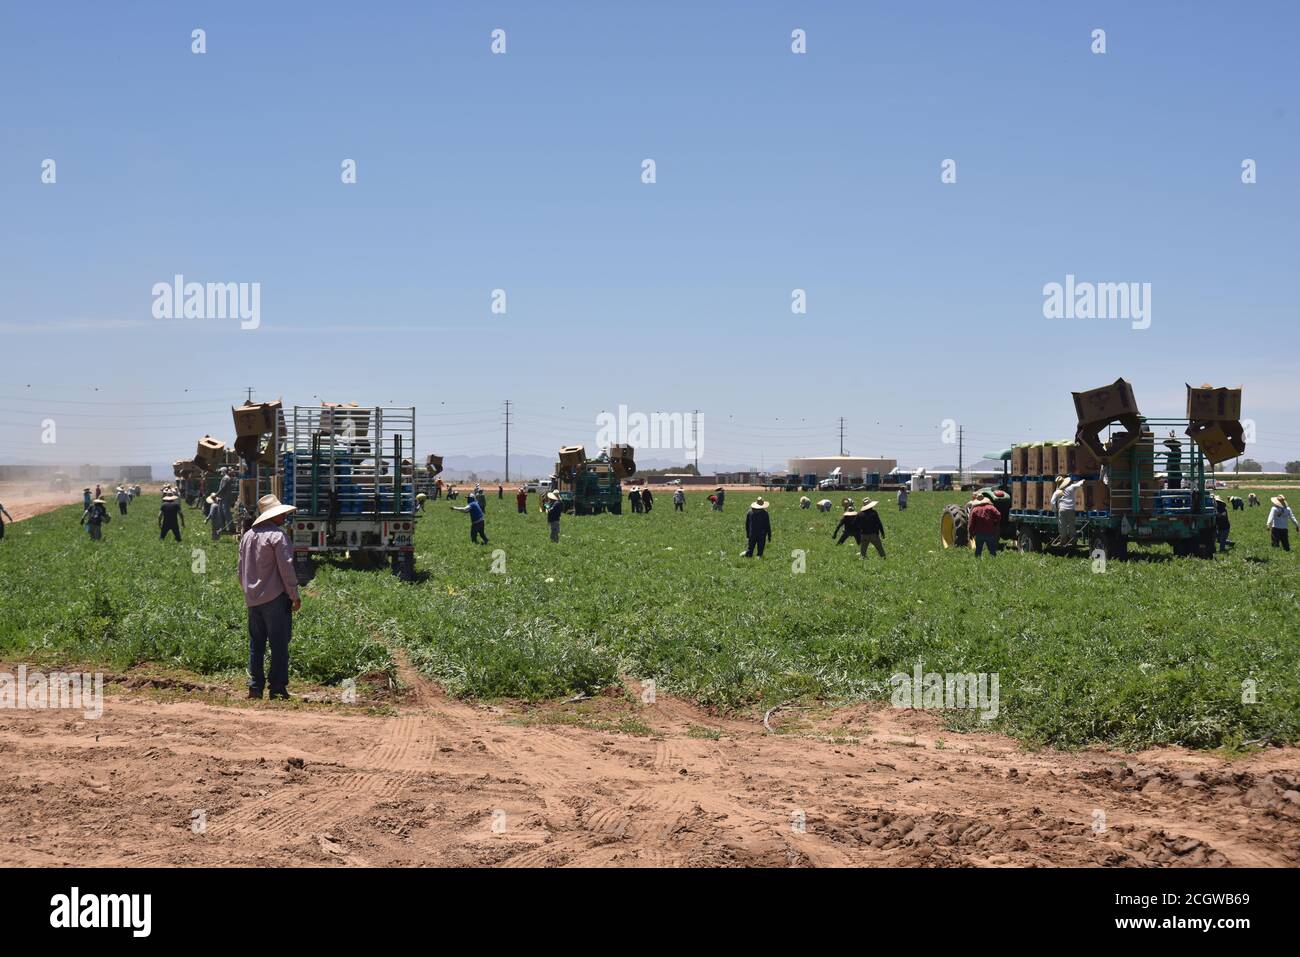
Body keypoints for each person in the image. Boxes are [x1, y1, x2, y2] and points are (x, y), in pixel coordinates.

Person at [238, 494, 301, 700]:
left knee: (256, 644)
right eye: (281, 513)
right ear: (273, 516)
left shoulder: (247, 536)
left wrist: (249, 591)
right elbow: (286, 570)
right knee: (279, 645)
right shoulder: (278, 537)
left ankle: (255, 687)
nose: (284, 516)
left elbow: (241, 570)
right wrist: (294, 595)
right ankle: (277, 688)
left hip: (253, 600)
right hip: (275, 599)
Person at [1049, 476, 1085, 545]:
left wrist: (1055, 509)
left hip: (1062, 510)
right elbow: (1078, 484)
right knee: (1072, 525)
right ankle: (1073, 540)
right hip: (1071, 509)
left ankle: (1063, 540)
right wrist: (1082, 480)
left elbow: (1052, 501)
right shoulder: (1070, 488)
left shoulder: (1057, 492)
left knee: (1062, 526)